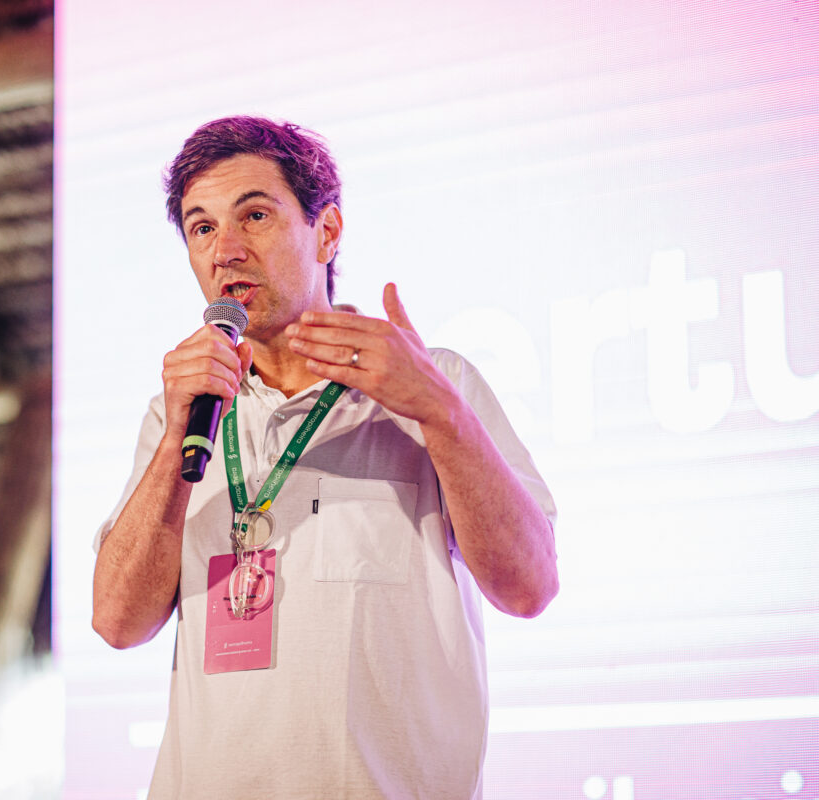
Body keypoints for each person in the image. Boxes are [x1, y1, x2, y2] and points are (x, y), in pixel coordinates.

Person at [92, 116, 558, 799]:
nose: (225, 250)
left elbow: (529, 586)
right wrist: (172, 445)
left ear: (327, 232)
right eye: (202, 228)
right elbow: (116, 622)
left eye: (254, 214)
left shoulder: (436, 384)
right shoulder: (181, 414)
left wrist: (438, 413)